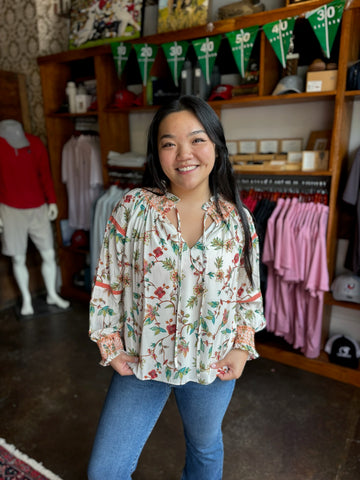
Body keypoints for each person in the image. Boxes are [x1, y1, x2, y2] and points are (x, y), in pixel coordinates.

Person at [87, 95, 265, 480]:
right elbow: (107, 283)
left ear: (215, 144)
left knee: (204, 448)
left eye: (197, 139)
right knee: (105, 470)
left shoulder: (236, 219)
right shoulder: (132, 209)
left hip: (210, 365)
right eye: (169, 143)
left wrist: (240, 345)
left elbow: (247, 291)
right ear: (157, 153)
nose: (184, 153)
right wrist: (110, 345)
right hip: (140, 363)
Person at [0, 119, 70, 316]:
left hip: (38, 207)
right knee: (18, 257)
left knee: (48, 253)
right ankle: (27, 300)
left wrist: (52, 201)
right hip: (10, 209)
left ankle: (51, 294)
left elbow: (44, 174)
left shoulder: (35, 143)